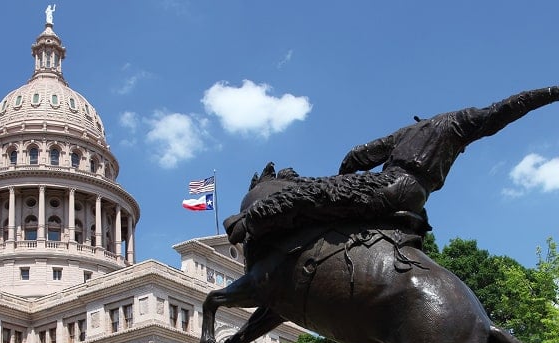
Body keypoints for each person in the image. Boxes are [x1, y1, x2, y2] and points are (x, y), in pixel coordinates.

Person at [228, 86, 559, 244]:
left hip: (392, 186)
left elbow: (356, 156)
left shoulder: (409, 131)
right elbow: (507, 108)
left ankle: (249, 221)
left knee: (313, 193)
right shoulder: (459, 124)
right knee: (324, 192)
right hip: (413, 197)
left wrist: (342, 182)